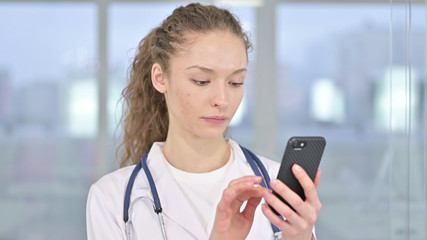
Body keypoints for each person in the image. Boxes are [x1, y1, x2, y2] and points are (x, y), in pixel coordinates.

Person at [86, 3, 322, 240]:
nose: (222, 100)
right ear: (160, 78)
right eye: (201, 81)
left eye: (235, 83)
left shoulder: (276, 184)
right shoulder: (112, 199)